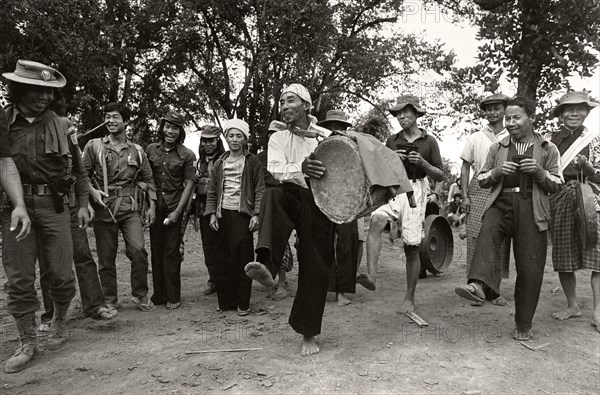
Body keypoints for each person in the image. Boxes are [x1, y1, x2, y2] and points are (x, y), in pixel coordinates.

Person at [1, 60, 90, 373]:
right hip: (15, 207)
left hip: (54, 207)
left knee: (61, 274)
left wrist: (81, 204)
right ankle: (27, 341)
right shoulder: (4, 121)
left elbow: (79, 171)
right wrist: (16, 203)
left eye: (49, 92)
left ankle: (59, 323)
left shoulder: (63, 126)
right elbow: (4, 163)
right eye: (36, 90)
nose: (43, 97)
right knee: (20, 278)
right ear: (19, 89)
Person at [455, 96, 562, 341]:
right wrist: (496, 172)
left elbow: (557, 183)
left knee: (530, 268)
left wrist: (538, 171)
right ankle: (478, 286)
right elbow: (481, 179)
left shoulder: (547, 148)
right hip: (501, 204)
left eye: (516, 118)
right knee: (487, 233)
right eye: (508, 118)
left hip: (532, 208)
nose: (511, 123)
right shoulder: (498, 147)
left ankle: (523, 325)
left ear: (531, 119)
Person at [244, 83, 335, 356]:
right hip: (290, 195)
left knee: (315, 263)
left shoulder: (326, 137)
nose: (284, 106)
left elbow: (341, 171)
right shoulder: (278, 139)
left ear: (306, 105)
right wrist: (302, 168)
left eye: (290, 101)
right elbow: (275, 170)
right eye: (281, 102)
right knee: (272, 196)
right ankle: (267, 266)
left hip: (320, 204)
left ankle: (308, 333)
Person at [357, 94, 444, 314]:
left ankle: (409, 297)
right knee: (376, 220)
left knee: (411, 247)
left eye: (406, 112)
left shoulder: (429, 141)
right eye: (398, 113)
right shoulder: (392, 140)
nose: (401, 116)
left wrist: (421, 162)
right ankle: (371, 275)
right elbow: (380, 168)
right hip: (394, 187)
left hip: (416, 189)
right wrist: (391, 158)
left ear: (416, 114)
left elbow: (440, 175)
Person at [82, 102, 157, 312]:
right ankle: (109, 299)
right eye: (107, 116)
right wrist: (91, 191)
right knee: (106, 258)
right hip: (104, 208)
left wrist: (152, 207)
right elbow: (81, 175)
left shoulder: (137, 151)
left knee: (139, 250)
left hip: (129, 208)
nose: (110, 121)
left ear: (126, 121)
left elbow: (149, 180)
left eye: (115, 117)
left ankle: (140, 294)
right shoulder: (94, 146)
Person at [547, 91, 600, 330]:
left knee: (597, 256)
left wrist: (588, 168)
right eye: (568, 109)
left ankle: (598, 310)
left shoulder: (595, 139)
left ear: (587, 112)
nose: (574, 113)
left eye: (580, 109)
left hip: (593, 199)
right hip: (560, 198)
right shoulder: (549, 141)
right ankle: (572, 305)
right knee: (564, 254)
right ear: (561, 114)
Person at [205, 119, 264, 315]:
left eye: (239, 136)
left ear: (245, 139)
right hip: (223, 215)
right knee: (223, 257)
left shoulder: (252, 161)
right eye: (231, 135)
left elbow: (259, 189)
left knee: (242, 258)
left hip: (242, 215)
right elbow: (212, 191)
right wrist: (212, 213)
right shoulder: (220, 162)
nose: (235, 139)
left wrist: (256, 214)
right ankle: (225, 302)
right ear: (226, 137)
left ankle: (243, 303)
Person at [460, 93, 511, 306]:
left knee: (498, 240)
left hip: (503, 190)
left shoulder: (513, 136)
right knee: (474, 238)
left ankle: (494, 291)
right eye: (488, 109)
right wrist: (464, 195)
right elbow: (464, 167)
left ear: (504, 110)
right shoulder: (475, 137)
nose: (492, 112)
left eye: (496, 108)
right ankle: (474, 288)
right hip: (478, 189)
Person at [146, 111, 196, 310]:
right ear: (162, 127)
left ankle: (173, 296)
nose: (170, 131)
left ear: (181, 131)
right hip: (155, 208)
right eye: (168, 126)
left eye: (175, 128)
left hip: (175, 208)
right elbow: (146, 179)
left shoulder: (187, 154)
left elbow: (190, 184)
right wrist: (148, 207)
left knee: (171, 252)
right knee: (156, 252)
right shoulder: (150, 150)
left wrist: (177, 212)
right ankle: (159, 295)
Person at [317, 110, 360, 307]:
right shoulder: (319, 146)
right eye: (332, 127)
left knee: (346, 243)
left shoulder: (356, 145)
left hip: (349, 200)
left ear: (345, 128)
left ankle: (343, 291)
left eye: (339, 127)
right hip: (324, 199)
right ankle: (328, 287)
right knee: (324, 243)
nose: (335, 130)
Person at [257, 120, 295, 301]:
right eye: (271, 135)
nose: (274, 138)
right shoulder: (260, 158)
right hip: (269, 205)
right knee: (274, 237)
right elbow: (256, 186)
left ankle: (280, 279)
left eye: (278, 136)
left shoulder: (294, 153)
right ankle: (279, 280)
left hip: (291, 201)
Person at [194, 125, 226, 295]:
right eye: (204, 141)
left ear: (217, 141)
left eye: (211, 140)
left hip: (222, 207)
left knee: (224, 244)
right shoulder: (199, 163)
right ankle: (213, 279)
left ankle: (225, 280)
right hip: (203, 208)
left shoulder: (225, 159)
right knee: (209, 246)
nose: (208, 144)